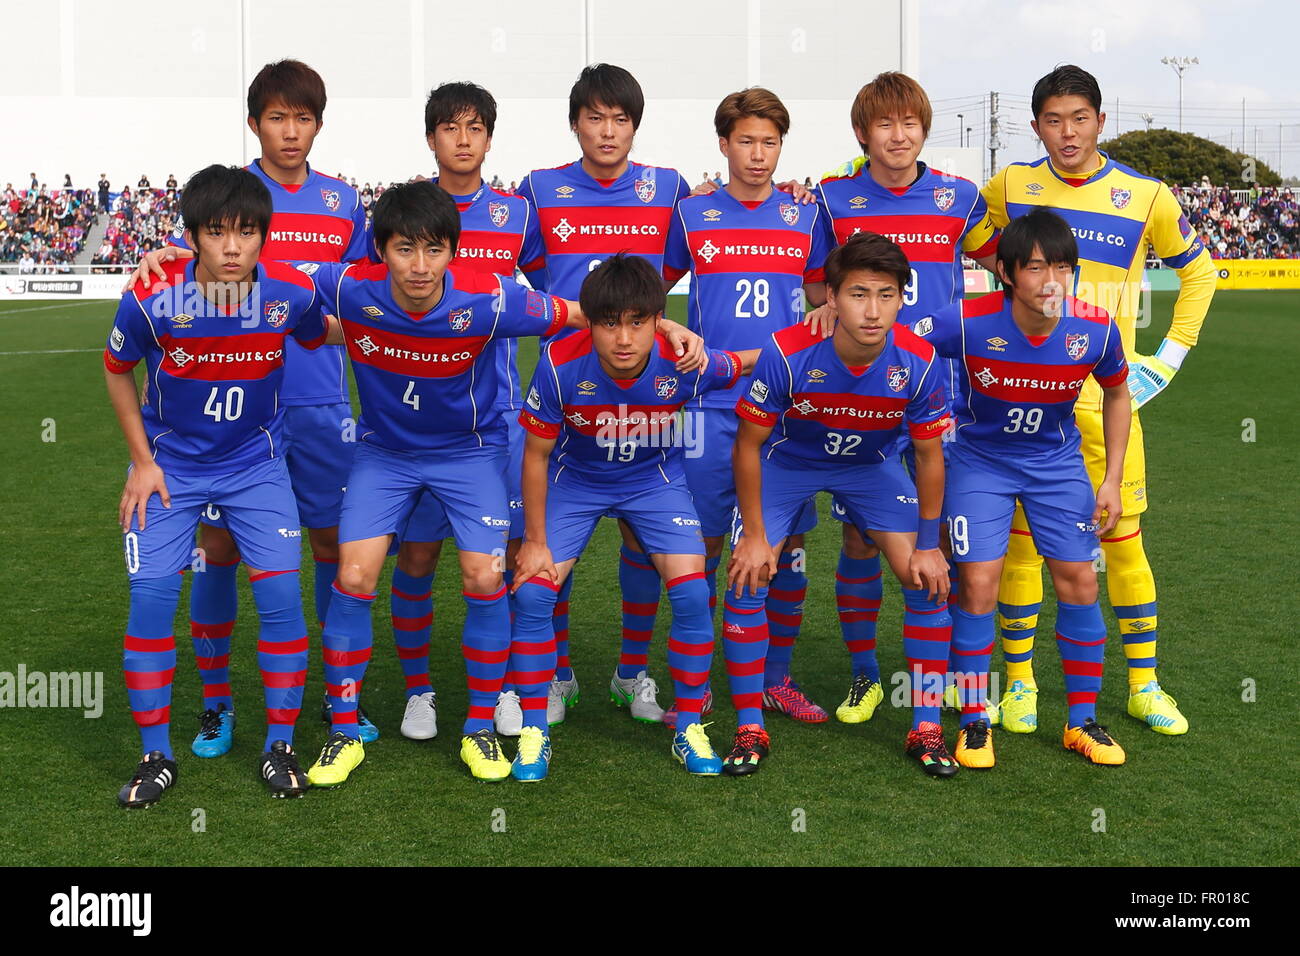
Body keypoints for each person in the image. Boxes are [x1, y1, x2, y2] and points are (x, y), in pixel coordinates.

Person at [302, 181, 586, 786]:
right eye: (405, 249)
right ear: (380, 250)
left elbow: (581, 312)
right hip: (385, 455)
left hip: (469, 455)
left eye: (434, 249)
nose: (420, 266)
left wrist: (662, 329)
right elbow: (262, 272)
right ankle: (344, 732)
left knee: (485, 575)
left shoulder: (487, 295)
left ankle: (479, 725)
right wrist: (168, 255)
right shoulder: (350, 285)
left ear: (454, 252)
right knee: (353, 576)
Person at [129, 60, 376, 754]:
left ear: (319, 125)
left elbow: (357, 292)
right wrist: (162, 253)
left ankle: (335, 695)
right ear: (254, 123)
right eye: (276, 117)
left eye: (302, 118)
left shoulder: (343, 203)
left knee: (328, 545)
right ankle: (216, 704)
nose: (290, 131)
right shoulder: (231, 199)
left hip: (321, 400)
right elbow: (192, 263)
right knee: (219, 548)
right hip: (222, 418)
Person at [980, 65, 1214, 735]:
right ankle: (1020, 685)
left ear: (1100, 122)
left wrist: (1167, 358)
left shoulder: (1145, 195)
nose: (1067, 132)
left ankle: (1144, 686)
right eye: (1053, 120)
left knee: (1122, 543)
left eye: (1079, 117)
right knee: (1022, 549)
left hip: (1105, 399)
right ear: (1036, 127)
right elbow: (968, 242)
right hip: (1021, 397)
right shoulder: (1012, 185)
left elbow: (1198, 273)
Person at [105, 164, 330, 807]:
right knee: (150, 603)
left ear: (265, 234)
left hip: (256, 467)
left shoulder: (290, 292)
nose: (232, 248)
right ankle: (156, 756)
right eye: (216, 233)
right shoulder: (154, 297)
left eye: (246, 232)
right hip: (170, 468)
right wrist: (143, 462)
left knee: (282, 599)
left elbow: (327, 326)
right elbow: (117, 371)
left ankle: (280, 744)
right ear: (193, 236)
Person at [513, 254, 754, 779]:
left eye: (638, 322)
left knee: (692, 589)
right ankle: (533, 730)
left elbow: (748, 362)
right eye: (609, 323)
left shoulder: (683, 359)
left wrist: (824, 330)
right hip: (574, 480)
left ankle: (689, 725)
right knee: (534, 587)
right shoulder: (559, 361)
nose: (624, 339)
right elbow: (534, 455)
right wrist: (533, 541)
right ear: (592, 322)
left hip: (654, 481)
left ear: (656, 320)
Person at [729, 232, 956, 776]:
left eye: (886, 294)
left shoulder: (920, 362)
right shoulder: (787, 351)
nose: (872, 310)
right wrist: (757, 535)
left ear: (904, 298)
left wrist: (928, 544)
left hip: (870, 466)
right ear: (830, 298)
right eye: (857, 294)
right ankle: (748, 724)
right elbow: (747, 445)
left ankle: (925, 726)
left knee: (927, 576)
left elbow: (928, 459)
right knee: (750, 570)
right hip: (789, 464)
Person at [812, 72, 999, 725]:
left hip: (938, 391)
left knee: (939, 535)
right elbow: (815, 288)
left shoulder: (959, 197)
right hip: (857, 392)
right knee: (861, 537)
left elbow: (1008, 266)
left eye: (910, 123)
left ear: (924, 128)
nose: (899, 135)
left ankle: (943, 672)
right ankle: (865, 675)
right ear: (863, 133)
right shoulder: (833, 201)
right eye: (885, 124)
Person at [918, 207, 1131, 767]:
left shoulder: (1096, 327)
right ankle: (973, 721)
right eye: (1037, 268)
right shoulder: (966, 320)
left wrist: (1110, 478)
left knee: (1081, 581)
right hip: (979, 461)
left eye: (1063, 267)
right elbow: (897, 344)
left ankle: (1082, 721)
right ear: (1008, 273)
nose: (1051, 281)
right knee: (979, 585)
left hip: (1056, 464)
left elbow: (1116, 393)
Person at [515, 63, 692, 724]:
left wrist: (649, 321)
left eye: (620, 118)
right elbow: (537, 272)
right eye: (595, 116)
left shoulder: (666, 187)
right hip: (571, 384)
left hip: (646, 383)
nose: (608, 130)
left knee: (643, 538)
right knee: (555, 541)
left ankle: (632, 673)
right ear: (575, 123)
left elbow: (669, 271)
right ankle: (557, 673)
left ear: (635, 125)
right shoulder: (541, 189)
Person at [659, 87, 831, 735]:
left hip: (784, 410)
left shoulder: (803, 218)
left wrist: (826, 308)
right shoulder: (692, 215)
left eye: (770, 142)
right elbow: (654, 291)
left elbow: (822, 295)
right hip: (709, 409)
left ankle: (775, 678)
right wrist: (673, 334)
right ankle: (696, 687)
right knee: (698, 549)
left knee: (786, 549)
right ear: (724, 144)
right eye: (746, 141)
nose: (758, 155)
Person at [391, 79, 547, 741]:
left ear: (488, 136)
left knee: (503, 559)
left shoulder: (516, 214)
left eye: (474, 128)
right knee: (419, 558)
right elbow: (343, 286)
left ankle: (505, 685)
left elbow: (555, 291)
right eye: (449, 128)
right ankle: (419, 691)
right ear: (431, 138)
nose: (463, 139)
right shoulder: (402, 212)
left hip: (500, 420)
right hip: (415, 422)